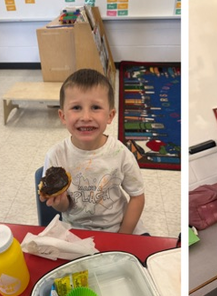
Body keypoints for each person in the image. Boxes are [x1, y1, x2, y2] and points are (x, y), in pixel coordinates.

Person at [40, 67, 147, 234]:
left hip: (118, 227)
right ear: (62, 116)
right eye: (76, 108)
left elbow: (137, 196)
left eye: (96, 107)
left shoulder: (120, 153)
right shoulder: (56, 156)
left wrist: (123, 235)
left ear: (110, 116)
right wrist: (58, 202)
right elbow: (65, 207)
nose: (86, 117)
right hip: (75, 230)